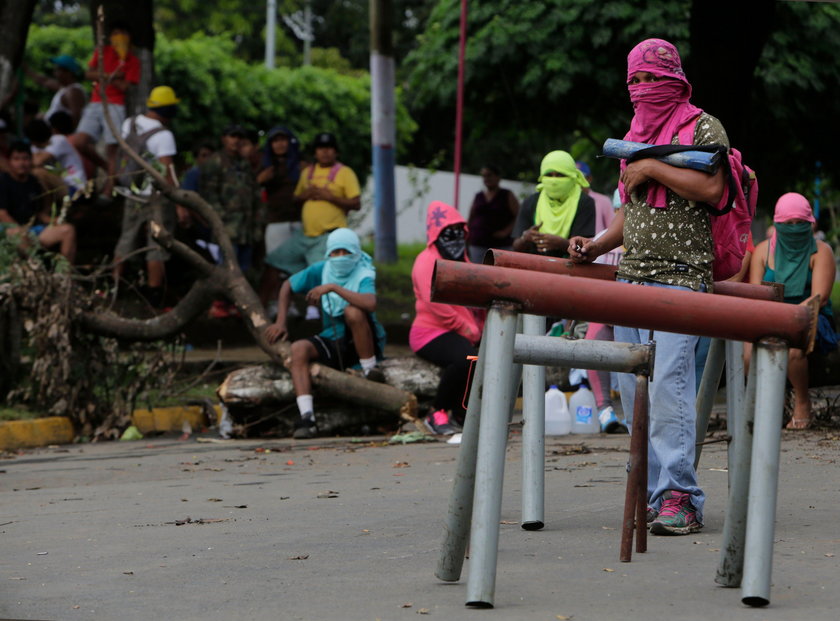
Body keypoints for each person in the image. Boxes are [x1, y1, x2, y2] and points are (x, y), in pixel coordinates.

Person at [569, 38, 730, 536]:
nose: (642, 89)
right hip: (631, 276)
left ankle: (682, 497)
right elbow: (628, 211)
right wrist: (595, 247)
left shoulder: (703, 125)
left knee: (669, 389)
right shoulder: (632, 134)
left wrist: (652, 165)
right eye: (634, 80)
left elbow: (712, 188)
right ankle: (653, 490)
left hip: (681, 280)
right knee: (632, 389)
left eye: (651, 79)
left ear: (674, 78)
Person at [264, 228, 386, 439]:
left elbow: (370, 303)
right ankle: (307, 416)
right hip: (333, 338)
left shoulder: (364, 272)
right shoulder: (322, 270)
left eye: (345, 252)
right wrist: (281, 322)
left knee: (353, 311)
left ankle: (369, 370)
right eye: (335, 252)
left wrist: (333, 288)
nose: (340, 258)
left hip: (363, 340)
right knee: (298, 348)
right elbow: (287, 286)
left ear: (355, 252)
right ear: (328, 254)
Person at [745, 192, 836, 430]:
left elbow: (820, 298)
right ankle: (765, 407)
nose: (794, 229)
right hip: (770, 314)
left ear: (810, 224)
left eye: (800, 224)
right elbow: (755, 294)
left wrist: (789, 319)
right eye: (788, 224)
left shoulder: (821, 251)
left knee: (794, 349)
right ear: (777, 224)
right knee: (745, 352)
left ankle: (803, 403)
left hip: (811, 316)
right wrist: (774, 318)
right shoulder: (764, 251)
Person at [263, 132, 361, 317]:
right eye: (320, 149)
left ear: (336, 152)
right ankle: (259, 309)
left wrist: (331, 197)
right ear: (315, 152)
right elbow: (296, 198)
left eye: (329, 148)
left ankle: (316, 312)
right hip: (305, 234)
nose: (325, 152)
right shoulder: (307, 172)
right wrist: (305, 195)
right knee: (273, 263)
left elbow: (356, 203)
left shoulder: (345, 172)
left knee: (322, 271)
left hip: (329, 235)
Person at [411, 201, 483, 434]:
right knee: (466, 358)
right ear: (435, 235)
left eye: (458, 233)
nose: (454, 240)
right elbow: (435, 305)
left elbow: (474, 296)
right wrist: (467, 328)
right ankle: (437, 412)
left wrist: (480, 324)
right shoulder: (425, 262)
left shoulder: (462, 259)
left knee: (478, 359)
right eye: (447, 234)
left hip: (459, 331)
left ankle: (463, 415)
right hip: (429, 333)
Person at [112, 86, 184, 308]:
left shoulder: (130, 123)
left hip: (132, 194)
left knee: (126, 239)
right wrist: (179, 203)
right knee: (157, 245)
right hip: (155, 198)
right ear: (169, 109)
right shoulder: (164, 135)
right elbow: (167, 173)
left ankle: (114, 288)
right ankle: (154, 295)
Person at [74, 22, 141, 198]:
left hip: (115, 104)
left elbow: (125, 86)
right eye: (115, 33)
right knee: (79, 141)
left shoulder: (133, 61)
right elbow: (88, 74)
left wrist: (106, 77)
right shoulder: (103, 52)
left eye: (122, 32)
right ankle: (108, 168)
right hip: (96, 100)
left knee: (113, 148)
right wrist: (112, 76)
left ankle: (108, 189)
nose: (118, 36)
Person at [198, 124, 262, 273]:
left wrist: (257, 223)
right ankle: (220, 297)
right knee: (227, 269)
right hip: (227, 228)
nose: (236, 141)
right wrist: (221, 219)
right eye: (232, 136)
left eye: (239, 137)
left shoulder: (244, 163)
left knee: (244, 269)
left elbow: (254, 194)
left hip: (246, 228)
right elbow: (209, 195)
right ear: (224, 139)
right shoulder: (214, 162)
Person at [0, 140, 76, 262]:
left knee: (67, 230)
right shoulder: (3, 181)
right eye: (17, 159)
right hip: (9, 230)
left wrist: (54, 221)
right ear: (9, 161)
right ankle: (36, 270)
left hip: (34, 230)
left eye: (25, 159)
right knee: (16, 233)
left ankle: (64, 275)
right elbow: (2, 214)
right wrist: (20, 230)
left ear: (31, 161)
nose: (21, 163)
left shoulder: (34, 181)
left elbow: (39, 213)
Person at [512, 150, 595, 257]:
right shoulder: (531, 201)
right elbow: (516, 247)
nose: (554, 180)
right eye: (549, 175)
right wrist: (525, 238)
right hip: (532, 266)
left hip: (568, 269)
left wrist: (562, 244)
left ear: (572, 176)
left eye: (560, 175)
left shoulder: (584, 203)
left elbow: (583, 249)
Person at [466, 165, 520, 263]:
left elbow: (518, 216)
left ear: (497, 177)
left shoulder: (506, 195)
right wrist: (466, 235)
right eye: (484, 176)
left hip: (501, 244)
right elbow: (471, 217)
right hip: (478, 243)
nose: (486, 179)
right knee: (478, 272)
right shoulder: (479, 196)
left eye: (489, 175)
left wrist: (506, 231)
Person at [26, 115, 87, 197]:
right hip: (61, 184)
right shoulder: (35, 147)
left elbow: (37, 162)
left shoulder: (58, 140)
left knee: (38, 172)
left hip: (76, 186)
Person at [25, 54, 87, 129]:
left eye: (58, 70)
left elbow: (76, 117)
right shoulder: (64, 88)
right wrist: (27, 70)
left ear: (68, 73)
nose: (55, 73)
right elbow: (44, 81)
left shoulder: (73, 91)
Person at [576, 160, 615, 235]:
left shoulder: (603, 201)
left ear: (589, 179)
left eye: (581, 177)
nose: (578, 181)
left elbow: (612, 230)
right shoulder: (566, 201)